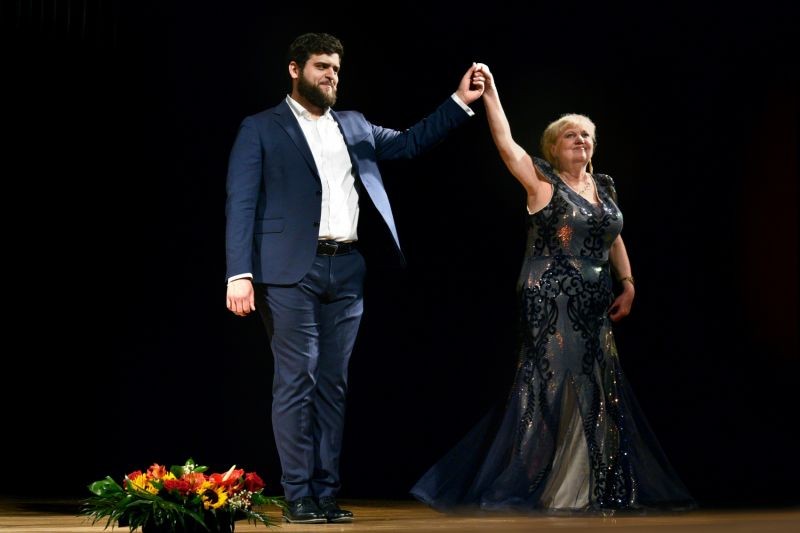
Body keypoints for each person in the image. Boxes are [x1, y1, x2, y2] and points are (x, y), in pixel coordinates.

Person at [410, 64, 696, 514]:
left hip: (594, 304)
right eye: (570, 135)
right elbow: (505, 142)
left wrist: (628, 283)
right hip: (551, 301)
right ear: (553, 147)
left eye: (586, 135)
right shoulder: (541, 181)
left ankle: (586, 486)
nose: (580, 140)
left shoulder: (604, 187)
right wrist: (490, 95)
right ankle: (547, 485)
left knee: (596, 386)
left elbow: (614, 237)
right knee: (553, 385)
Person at [224, 32, 485, 524]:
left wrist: (459, 101)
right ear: (295, 69)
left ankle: (325, 493)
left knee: (333, 385)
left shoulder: (354, 124)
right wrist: (239, 273)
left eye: (336, 69)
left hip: (346, 269)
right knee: (296, 381)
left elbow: (409, 143)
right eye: (322, 66)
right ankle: (298, 494)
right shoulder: (260, 127)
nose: (331, 76)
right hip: (288, 272)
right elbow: (240, 202)